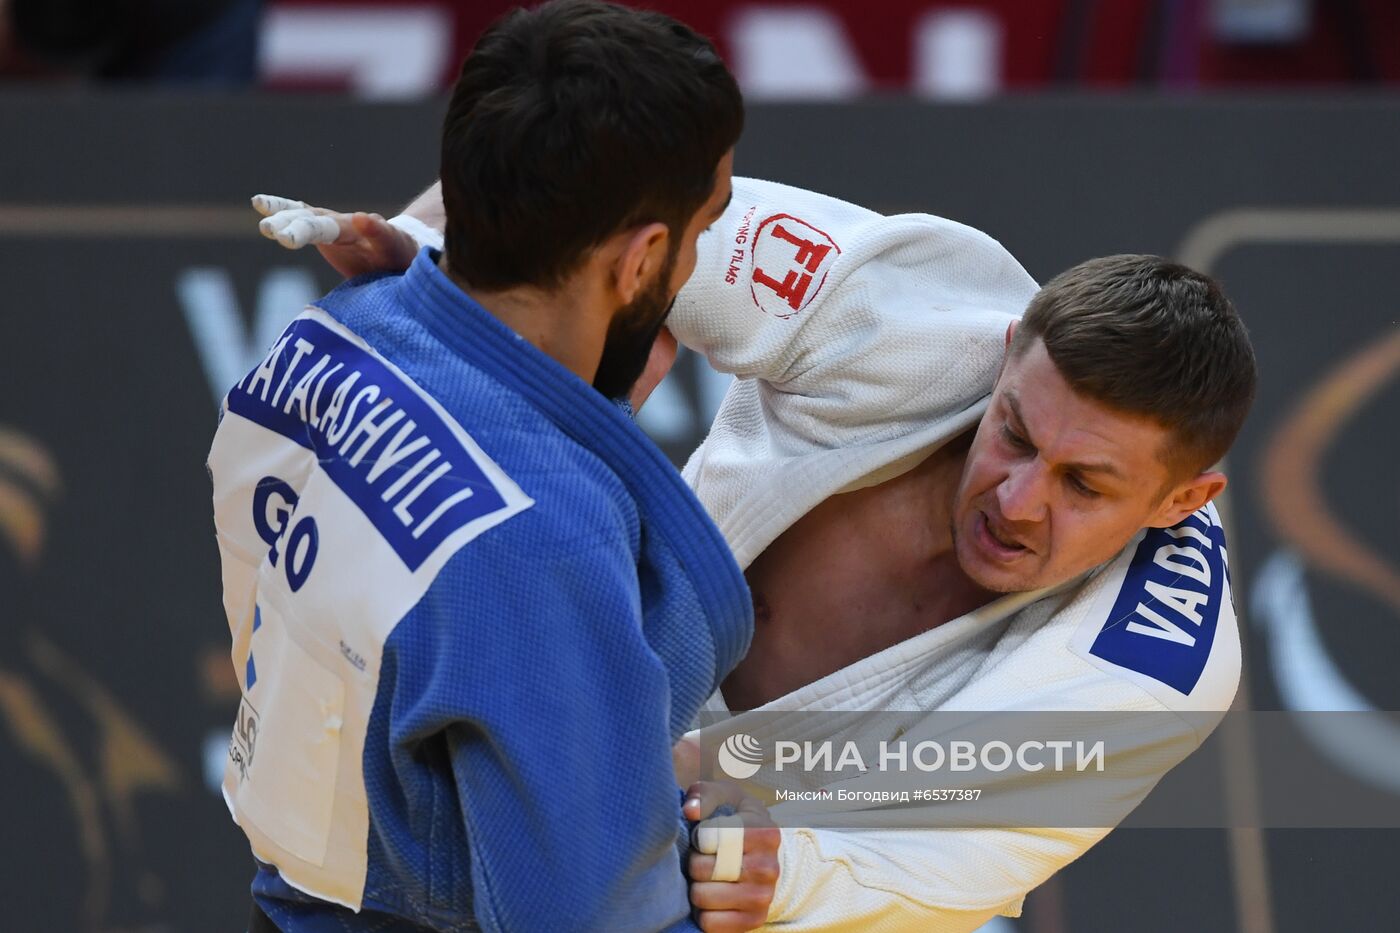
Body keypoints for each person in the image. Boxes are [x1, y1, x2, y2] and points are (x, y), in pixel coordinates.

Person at [259, 160, 1255, 933]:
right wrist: (431, 259)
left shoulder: (1152, 659)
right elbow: (614, 204)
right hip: (609, 704)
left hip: (810, 870)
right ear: (1002, 357)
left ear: (1183, 499)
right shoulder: (907, 312)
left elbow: (953, 857)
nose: (1020, 499)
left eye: (1085, 485)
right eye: (1014, 434)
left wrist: (793, 872)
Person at [210, 3, 782, 931]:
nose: (696, 260)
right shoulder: (535, 542)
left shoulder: (330, 334)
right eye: (701, 224)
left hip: (299, 892)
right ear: (640, 260)